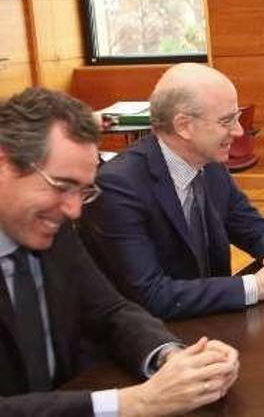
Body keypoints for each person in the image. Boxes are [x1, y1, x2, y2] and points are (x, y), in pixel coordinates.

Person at [0, 87, 239, 415]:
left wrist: (172, 357)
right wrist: (133, 403)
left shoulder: (52, 230)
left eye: (84, 191)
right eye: (61, 186)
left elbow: (110, 312)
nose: (74, 210)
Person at [81, 63, 264, 320]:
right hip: (154, 342)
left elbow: (254, 228)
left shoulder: (210, 165)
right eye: (227, 121)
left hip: (211, 325)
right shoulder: (118, 186)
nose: (238, 131)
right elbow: (150, 295)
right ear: (184, 126)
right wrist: (256, 287)